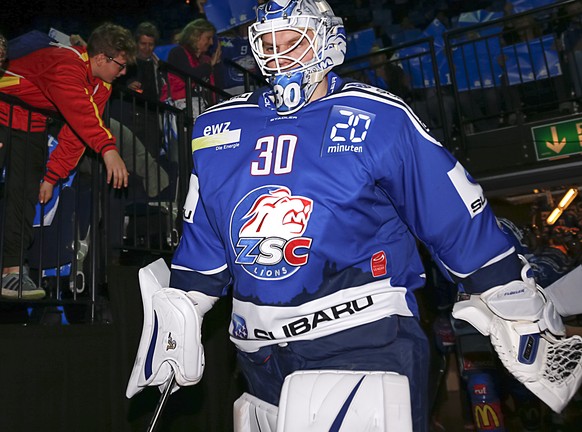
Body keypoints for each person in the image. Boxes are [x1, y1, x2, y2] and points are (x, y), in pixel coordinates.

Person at [129, 1, 581, 431]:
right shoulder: (217, 127)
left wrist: (507, 294)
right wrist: (182, 309)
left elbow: (452, 215)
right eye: (268, 42)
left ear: (328, 42)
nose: (279, 52)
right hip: (257, 354)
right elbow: (205, 241)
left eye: (294, 39)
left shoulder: (380, 116)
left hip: (361, 338)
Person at [0, 23, 135, 299]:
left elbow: (76, 136)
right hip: (3, 108)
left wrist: (52, 177)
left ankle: (11, 272)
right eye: (120, 65)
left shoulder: (102, 86)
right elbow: (79, 111)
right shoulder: (66, 62)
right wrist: (108, 149)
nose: (124, 73)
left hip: (30, 122)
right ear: (101, 58)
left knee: (23, 196)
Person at [160, 18, 222, 116]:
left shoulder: (203, 59)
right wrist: (209, 65)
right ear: (196, 36)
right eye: (208, 38)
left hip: (202, 107)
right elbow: (190, 75)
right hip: (182, 107)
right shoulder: (178, 52)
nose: (211, 43)